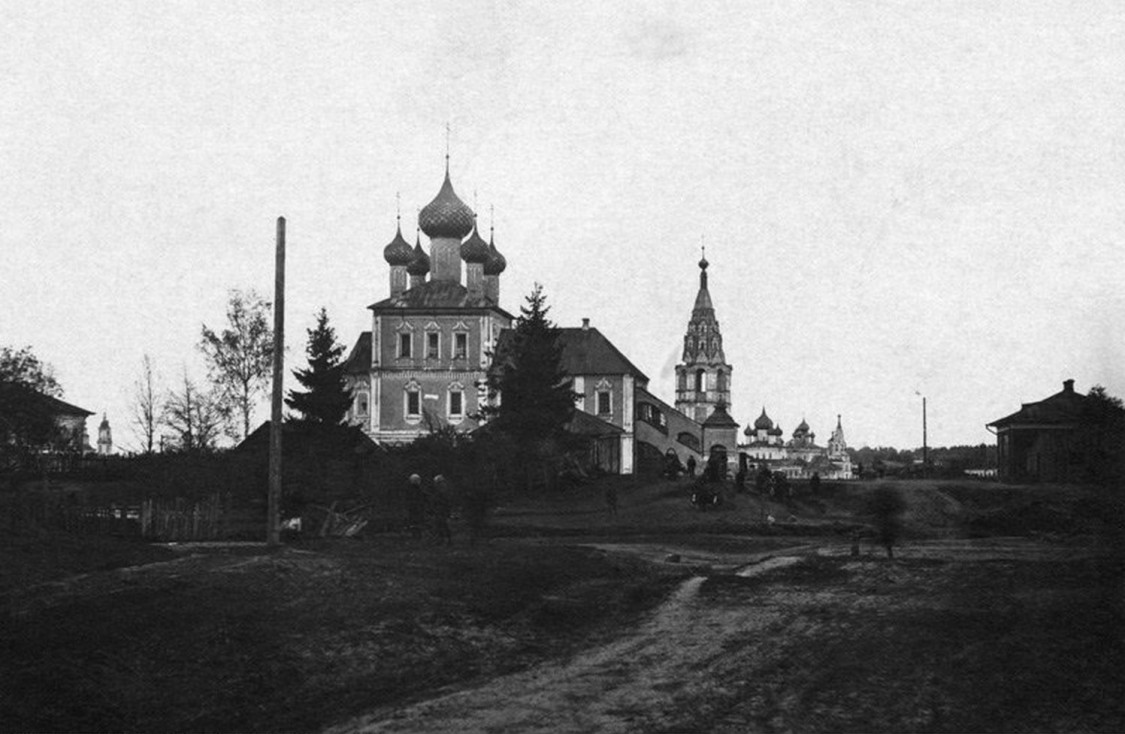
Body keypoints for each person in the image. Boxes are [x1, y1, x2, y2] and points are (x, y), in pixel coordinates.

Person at [430, 475, 453, 545]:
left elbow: (444, 501)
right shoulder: (442, 489)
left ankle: (447, 540)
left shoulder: (442, 490)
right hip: (440, 509)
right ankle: (442, 540)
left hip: (441, 510)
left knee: (443, 525)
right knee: (440, 525)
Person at [405, 474, 425, 540]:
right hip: (416, 508)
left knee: (415, 522)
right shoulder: (417, 489)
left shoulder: (411, 489)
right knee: (415, 522)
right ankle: (416, 536)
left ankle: (416, 535)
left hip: (415, 508)